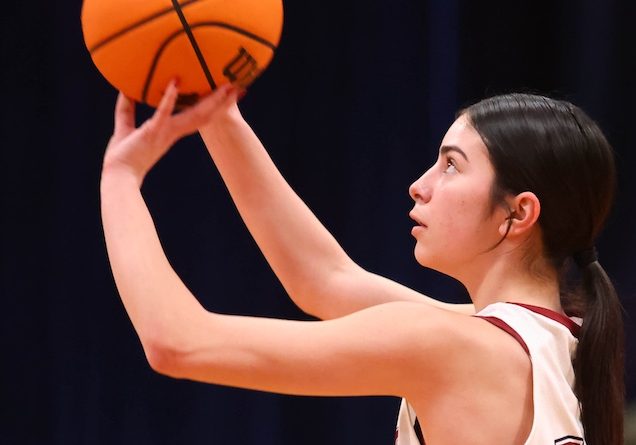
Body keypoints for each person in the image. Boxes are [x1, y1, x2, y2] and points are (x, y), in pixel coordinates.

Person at [100, 81, 624, 445]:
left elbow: (177, 342)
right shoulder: (565, 338)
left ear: (518, 213)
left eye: (451, 166)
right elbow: (324, 279)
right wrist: (217, 114)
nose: (420, 185)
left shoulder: (449, 344)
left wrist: (120, 181)